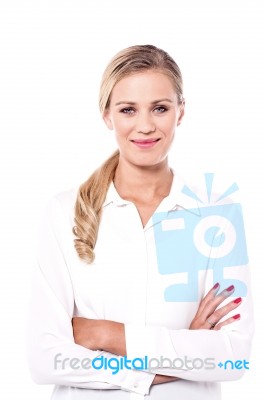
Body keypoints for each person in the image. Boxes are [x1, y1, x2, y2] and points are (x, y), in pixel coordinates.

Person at [27, 44, 253, 400]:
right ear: (107, 115)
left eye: (160, 108)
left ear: (181, 111)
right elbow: (44, 359)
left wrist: (106, 335)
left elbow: (232, 358)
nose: (145, 126)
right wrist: (181, 353)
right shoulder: (63, 212)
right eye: (128, 109)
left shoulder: (216, 214)